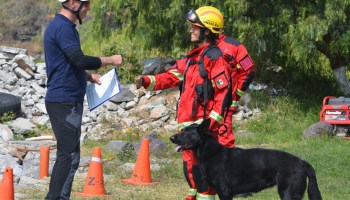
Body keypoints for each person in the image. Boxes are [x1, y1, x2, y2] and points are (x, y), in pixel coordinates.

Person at [135, 6, 234, 200]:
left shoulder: (214, 58)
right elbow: (171, 76)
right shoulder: (192, 58)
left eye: (195, 27)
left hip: (201, 131)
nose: (191, 30)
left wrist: (209, 125)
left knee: (204, 179)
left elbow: (224, 93)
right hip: (188, 130)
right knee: (192, 173)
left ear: (207, 30)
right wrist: (147, 81)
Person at [44, 0, 122, 199]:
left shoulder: (63, 26)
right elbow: (79, 59)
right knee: (67, 157)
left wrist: (88, 77)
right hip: (64, 101)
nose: (89, 8)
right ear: (72, 3)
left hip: (66, 99)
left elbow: (66, 63)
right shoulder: (63, 27)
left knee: (71, 157)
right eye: (86, 3)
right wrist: (110, 60)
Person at [215, 21, 255, 148]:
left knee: (224, 143)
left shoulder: (234, 46)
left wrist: (236, 95)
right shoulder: (200, 47)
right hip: (203, 106)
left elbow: (248, 71)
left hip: (224, 106)